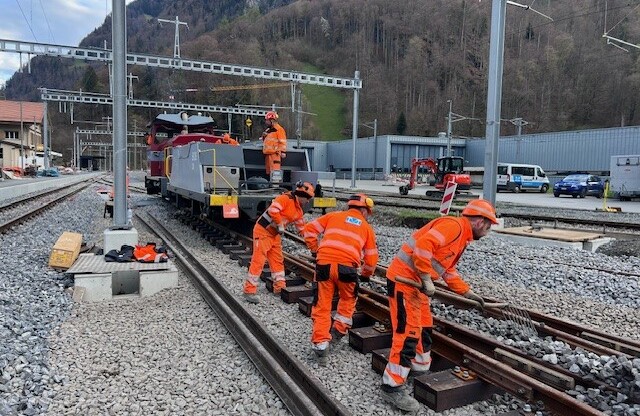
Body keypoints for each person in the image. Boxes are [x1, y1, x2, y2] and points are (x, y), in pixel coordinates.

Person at [380, 199, 498, 412]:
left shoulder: (462, 237)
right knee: (407, 333)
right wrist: (426, 278)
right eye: (489, 226)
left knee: (424, 328)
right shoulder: (453, 226)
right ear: (481, 221)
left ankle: (416, 371)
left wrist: (467, 292)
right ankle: (392, 386)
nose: (488, 231)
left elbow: (447, 270)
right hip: (404, 282)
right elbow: (423, 248)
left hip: (416, 287)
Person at [303, 194, 379, 366]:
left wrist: (315, 250)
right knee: (347, 299)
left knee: (322, 304)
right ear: (363, 210)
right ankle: (338, 329)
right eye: (368, 212)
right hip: (348, 268)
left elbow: (309, 230)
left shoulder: (333, 216)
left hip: (324, 265)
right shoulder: (366, 228)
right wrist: (366, 274)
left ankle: (321, 344)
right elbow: (372, 258)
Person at [243, 181, 315, 303]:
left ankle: (280, 287)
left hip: (274, 235)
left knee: (277, 261)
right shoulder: (285, 198)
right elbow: (273, 210)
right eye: (307, 199)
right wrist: (280, 223)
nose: (308, 201)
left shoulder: (298, 211)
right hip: (263, 231)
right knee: (258, 261)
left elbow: (302, 229)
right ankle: (249, 291)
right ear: (302, 196)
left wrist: (313, 242)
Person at [261, 111, 287, 176]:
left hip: (275, 155)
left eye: (267, 120)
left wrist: (283, 151)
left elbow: (282, 141)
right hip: (268, 155)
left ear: (272, 120)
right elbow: (266, 142)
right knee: (269, 173)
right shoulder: (268, 130)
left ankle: (275, 185)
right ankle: (271, 185)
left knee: (275, 174)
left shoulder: (279, 129)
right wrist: (264, 137)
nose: (266, 122)